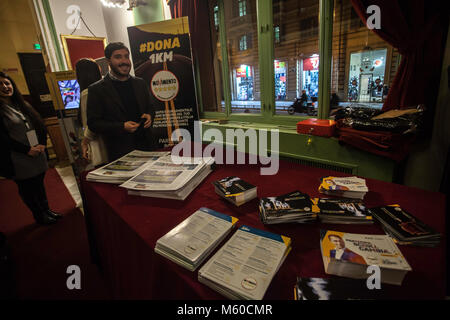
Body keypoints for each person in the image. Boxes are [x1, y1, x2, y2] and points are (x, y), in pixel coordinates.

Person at [0, 72, 62, 225]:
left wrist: (40, 144)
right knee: (28, 189)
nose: (5, 87)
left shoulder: (22, 104)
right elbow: (2, 139)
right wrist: (26, 150)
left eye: (7, 83)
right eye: (0, 84)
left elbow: (38, 125)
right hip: (18, 158)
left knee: (39, 185)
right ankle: (39, 215)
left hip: (37, 153)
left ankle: (47, 210)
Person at [87, 42, 154, 161]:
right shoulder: (96, 89)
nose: (124, 61)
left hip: (147, 147)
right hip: (121, 153)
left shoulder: (140, 83)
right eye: (118, 57)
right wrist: (122, 126)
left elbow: (150, 107)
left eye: (126, 56)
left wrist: (149, 115)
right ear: (108, 61)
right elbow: (93, 124)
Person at [75, 58, 108, 165]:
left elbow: (90, 123)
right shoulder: (105, 88)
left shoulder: (87, 93)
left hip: (97, 145)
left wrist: (84, 143)